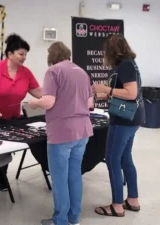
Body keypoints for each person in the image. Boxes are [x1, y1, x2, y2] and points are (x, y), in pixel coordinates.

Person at [28, 42, 94, 225]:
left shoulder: (53, 71)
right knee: (74, 175)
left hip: (62, 133)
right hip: (83, 132)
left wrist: (34, 103)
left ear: (51, 56)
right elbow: (89, 104)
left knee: (59, 179)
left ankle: (60, 220)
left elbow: (48, 102)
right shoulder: (82, 72)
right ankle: (74, 218)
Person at [0, 33, 42, 190]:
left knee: (7, 147)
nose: (24, 57)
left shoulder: (25, 73)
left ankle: (2, 175)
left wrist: (54, 95)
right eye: (21, 54)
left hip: (11, 117)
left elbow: (38, 92)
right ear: (10, 54)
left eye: (26, 54)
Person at [92, 34, 145, 217]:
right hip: (132, 118)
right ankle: (132, 200)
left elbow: (131, 93)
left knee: (112, 158)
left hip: (124, 120)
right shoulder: (128, 64)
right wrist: (106, 95)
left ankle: (116, 205)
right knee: (125, 158)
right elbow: (126, 92)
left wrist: (106, 89)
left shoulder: (125, 65)